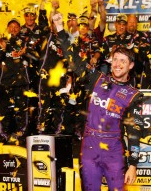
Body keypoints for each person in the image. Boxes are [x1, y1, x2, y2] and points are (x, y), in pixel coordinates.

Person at [54, 13, 144, 190]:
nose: (117, 64)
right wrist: (59, 29)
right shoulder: (97, 79)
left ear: (130, 65)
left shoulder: (134, 95)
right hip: (89, 147)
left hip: (114, 152)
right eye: (115, 59)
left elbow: (134, 132)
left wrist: (133, 165)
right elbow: (75, 60)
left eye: (123, 61)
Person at [0, 18, 30, 143]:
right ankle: (4, 135)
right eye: (11, 26)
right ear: (7, 28)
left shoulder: (24, 42)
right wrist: (3, 49)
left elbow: (34, 56)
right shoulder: (1, 41)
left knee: (22, 110)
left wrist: (26, 52)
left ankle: (20, 134)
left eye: (16, 26)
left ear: (20, 29)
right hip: (5, 82)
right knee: (4, 110)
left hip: (21, 82)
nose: (14, 29)